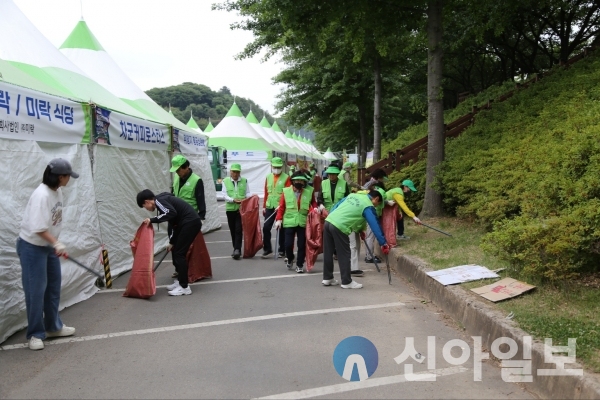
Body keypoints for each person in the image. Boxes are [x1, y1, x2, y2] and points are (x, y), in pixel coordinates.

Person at [17, 158, 79, 350]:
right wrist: (56, 242)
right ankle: (35, 334)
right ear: (60, 177)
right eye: (68, 176)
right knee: (36, 291)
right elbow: (37, 228)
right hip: (32, 247)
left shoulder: (57, 191)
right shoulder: (41, 195)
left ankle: (53, 327)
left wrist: (54, 244)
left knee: (52, 287)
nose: (70, 179)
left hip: (48, 247)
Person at [137, 189, 201, 296]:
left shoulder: (159, 201)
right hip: (188, 223)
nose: (146, 209)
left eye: (144, 206)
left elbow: (171, 213)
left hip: (190, 223)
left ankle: (184, 287)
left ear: (147, 202)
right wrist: (172, 242)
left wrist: (152, 220)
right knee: (176, 250)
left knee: (179, 254)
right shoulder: (162, 201)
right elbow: (174, 224)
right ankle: (180, 281)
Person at [322, 190, 390, 289]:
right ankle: (346, 282)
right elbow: (374, 224)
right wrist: (383, 243)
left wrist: (360, 230)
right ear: (376, 199)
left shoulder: (353, 195)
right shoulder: (368, 206)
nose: (376, 206)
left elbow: (337, 206)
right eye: (377, 204)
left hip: (329, 221)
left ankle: (327, 278)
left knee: (328, 252)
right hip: (340, 226)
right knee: (344, 253)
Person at [169, 154, 206, 277]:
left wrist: (201, 217)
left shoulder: (196, 180)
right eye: (176, 170)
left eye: (179, 170)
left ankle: (188, 270)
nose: (178, 172)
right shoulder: (176, 177)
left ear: (186, 167)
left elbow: (201, 199)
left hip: (189, 217)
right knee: (173, 242)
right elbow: (173, 194)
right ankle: (178, 268)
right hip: (175, 215)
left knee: (185, 245)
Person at [275, 171, 317, 273]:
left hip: (302, 222)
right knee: (288, 244)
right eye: (297, 180)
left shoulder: (309, 192)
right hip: (289, 221)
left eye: (301, 181)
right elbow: (281, 207)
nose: (299, 182)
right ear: (293, 181)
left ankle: (299, 264)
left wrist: (315, 209)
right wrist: (279, 219)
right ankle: (290, 258)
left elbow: (313, 203)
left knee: (301, 244)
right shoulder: (286, 192)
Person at [262, 157, 290, 258]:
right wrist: (264, 206)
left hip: (281, 206)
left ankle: (282, 249)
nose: (276, 169)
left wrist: (283, 204)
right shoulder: (268, 177)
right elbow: (266, 192)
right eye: (275, 167)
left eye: (278, 167)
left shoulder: (286, 177)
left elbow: (288, 193)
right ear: (271, 166)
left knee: (281, 228)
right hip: (270, 205)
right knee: (266, 228)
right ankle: (267, 248)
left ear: (281, 167)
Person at [221, 164, 251, 260]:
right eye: (233, 171)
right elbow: (224, 195)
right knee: (233, 230)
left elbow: (248, 193)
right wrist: (233, 200)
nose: (235, 174)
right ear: (230, 172)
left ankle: (237, 249)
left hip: (241, 209)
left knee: (238, 229)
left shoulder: (244, 181)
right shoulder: (225, 181)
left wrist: (245, 200)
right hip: (230, 209)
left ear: (240, 172)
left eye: (237, 172)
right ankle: (235, 248)